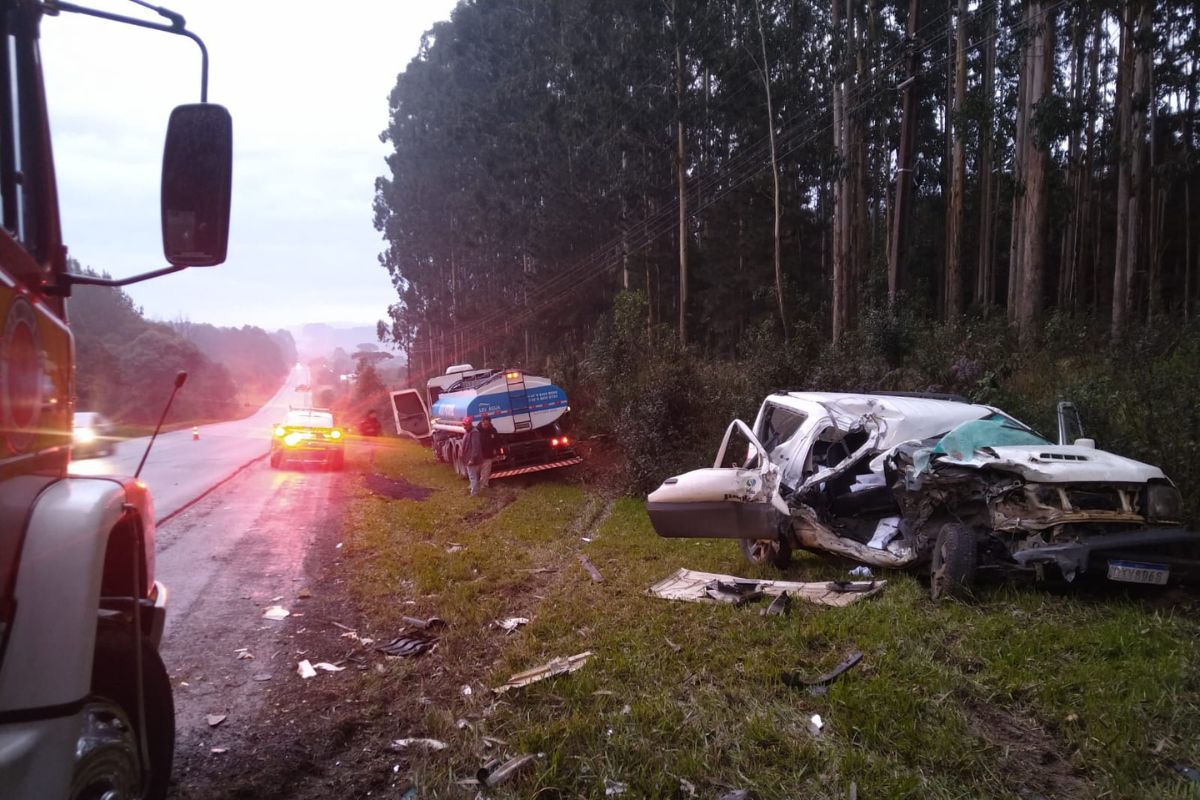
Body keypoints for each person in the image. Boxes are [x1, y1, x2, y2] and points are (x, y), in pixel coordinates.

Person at [462, 415, 484, 496]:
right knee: (473, 476)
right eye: (463, 425)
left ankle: (474, 493)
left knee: (472, 477)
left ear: (470, 424)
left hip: (472, 459)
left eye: (466, 425)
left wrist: (472, 459)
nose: (464, 427)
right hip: (469, 458)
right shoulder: (468, 432)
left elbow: (476, 447)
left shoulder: (474, 433)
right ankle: (474, 489)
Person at [478, 414, 499, 491]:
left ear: (489, 423)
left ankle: (484, 486)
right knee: (476, 471)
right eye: (484, 424)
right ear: (481, 422)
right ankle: (476, 485)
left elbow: (497, 442)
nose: (486, 426)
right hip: (478, 455)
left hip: (488, 454)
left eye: (487, 424)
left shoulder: (493, 430)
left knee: (486, 471)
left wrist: (497, 452)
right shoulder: (477, 431)